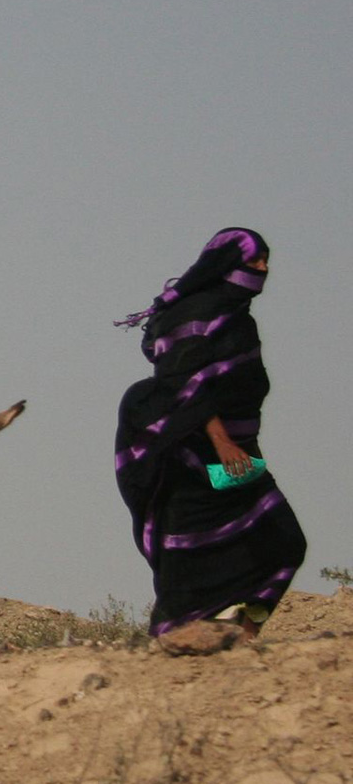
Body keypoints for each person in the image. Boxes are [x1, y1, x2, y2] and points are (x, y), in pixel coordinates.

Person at [114, 227, 305, 642]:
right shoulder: (194, 315)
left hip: (238, 455)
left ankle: (243, 638)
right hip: (195, 458)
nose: (263, 268)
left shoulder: (238, 319)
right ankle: (179, 640)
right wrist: (220, 440)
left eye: (266, 260)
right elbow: (182, 383)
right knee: (189, 557)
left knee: (283, 542)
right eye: (253, 261)